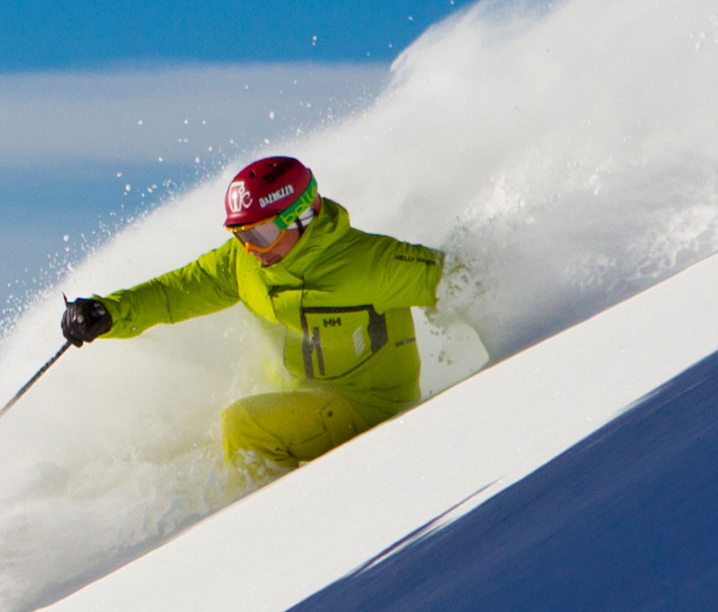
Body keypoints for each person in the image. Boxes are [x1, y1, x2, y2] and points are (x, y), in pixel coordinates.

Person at [59, 155, 445, 479]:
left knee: (245, 425)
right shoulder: (243, 264)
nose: (251, 249)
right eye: (240, 235)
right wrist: (108, 312)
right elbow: (174, 293)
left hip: (371, 409)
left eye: (260, 234)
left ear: (303, 217)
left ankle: (263, 531)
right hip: (304, 405)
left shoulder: (369, 263)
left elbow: (464, 276)